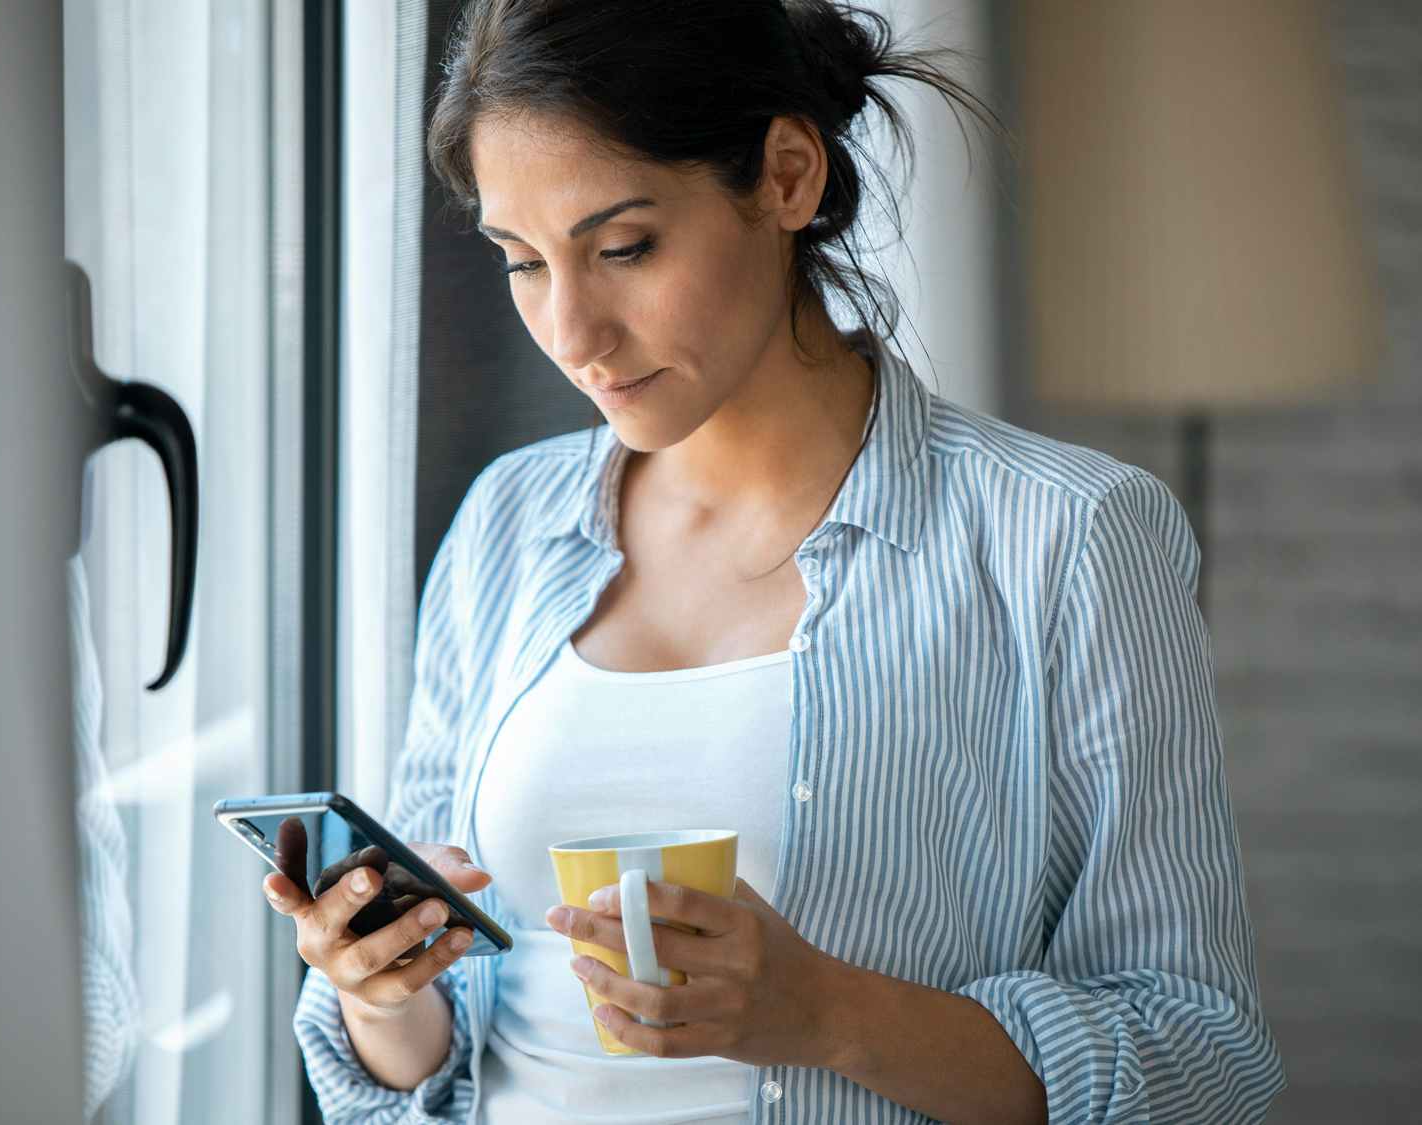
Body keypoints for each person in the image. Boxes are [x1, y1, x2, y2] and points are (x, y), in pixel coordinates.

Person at [260, 1, 1287, 1122]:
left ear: (788, 176)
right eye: (522, 263)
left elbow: (1204, 1058)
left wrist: (825, 1013)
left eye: (623, 249)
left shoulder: (1068, 537)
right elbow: (443, 1045)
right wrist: (380, 991)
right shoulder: (508, 522)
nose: (572, 332)